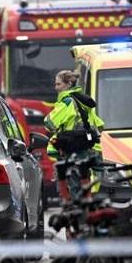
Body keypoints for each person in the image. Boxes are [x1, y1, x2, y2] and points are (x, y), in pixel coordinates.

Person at [44, 69, 105, 201]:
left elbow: (49, 123)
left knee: (71, 188)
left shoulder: (67, 102)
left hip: (71, 150)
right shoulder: (82, 101)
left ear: (68, 85)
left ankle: (75, 213)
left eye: (58, 84)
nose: (56, 88)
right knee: (86, 185)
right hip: (89, 150)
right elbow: (100, 126)